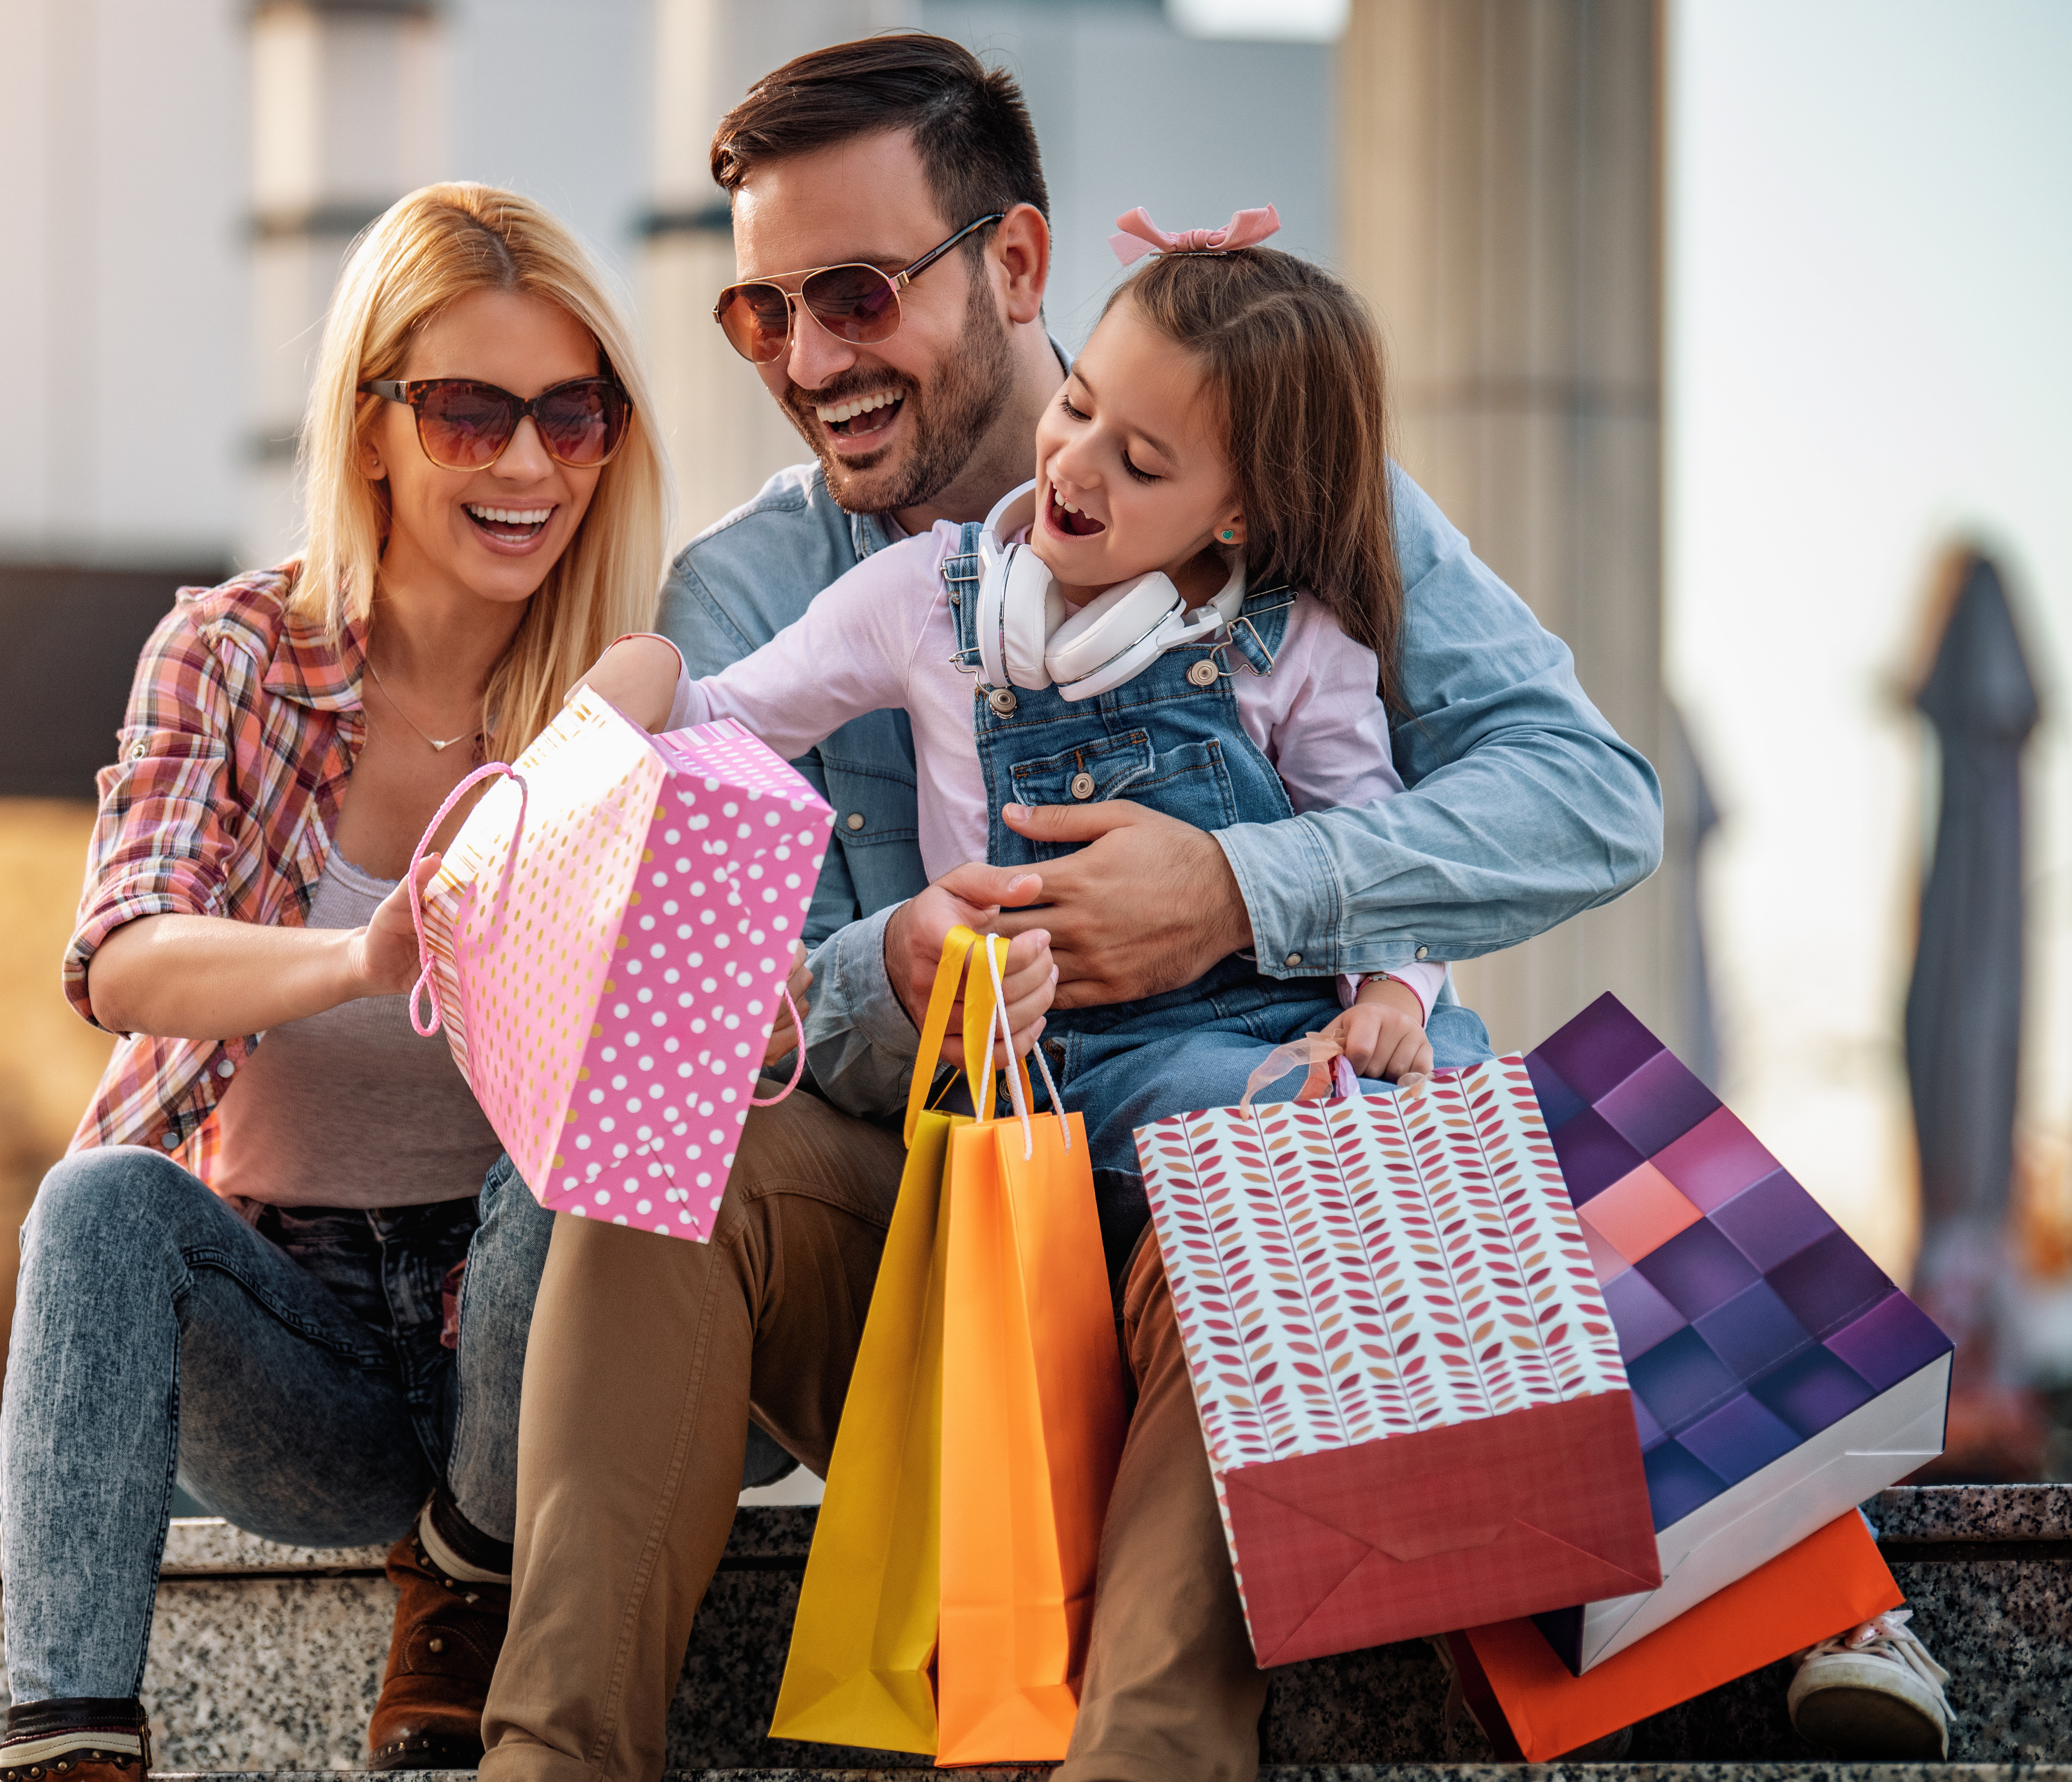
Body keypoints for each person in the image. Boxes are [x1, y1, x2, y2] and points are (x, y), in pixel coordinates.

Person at [464, 33, 1948, 1782]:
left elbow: (1588, 796)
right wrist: (892, 966)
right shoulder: (768, 579)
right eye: (760, 313)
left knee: (1335, 1158)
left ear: (1016, 265)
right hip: (940, 1254)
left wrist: (1240, 887)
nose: (809, 359)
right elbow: (699, 1000)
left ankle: (1220, 1722)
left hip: (1243, 1206)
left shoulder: (1295, 491)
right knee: (664, 1140)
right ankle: (551, 1759)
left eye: (855, 294)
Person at [0, 183, 756, 1782]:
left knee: (578, 1156)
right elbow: (124, 951)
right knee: (97, 1207)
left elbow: (696, 1060)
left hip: (546, 1343)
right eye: (472, 412)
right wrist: (366, 949)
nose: (529, 466)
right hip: (307, 1345)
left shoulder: (653, 674)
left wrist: (627, 715)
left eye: (572, 413)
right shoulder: (233, 653)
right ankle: (68, 1747)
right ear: (373, 430)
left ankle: (466, 1573)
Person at [579, 210, 1489, 1140]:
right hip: (1067, 1079)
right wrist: (652, 676)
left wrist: (1391, 999)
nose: (1074, 465)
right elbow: (723, 723)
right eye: (1080, 406)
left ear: (1237, 516)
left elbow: (1367, 850)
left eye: (1138, 463)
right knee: (1308, 1133)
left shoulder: (1300, 643)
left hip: (1305, 1040)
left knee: (1492, 1120)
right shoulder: (923, 597)